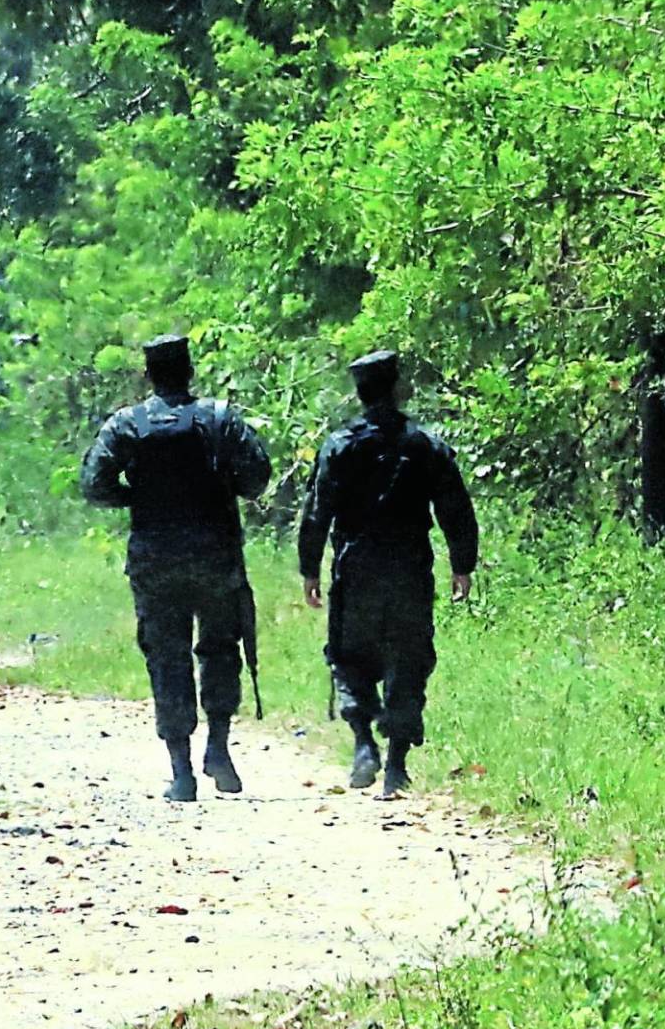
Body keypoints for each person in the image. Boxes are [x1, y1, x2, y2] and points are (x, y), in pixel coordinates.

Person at [82, 334, 273, 802]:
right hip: (214, 552)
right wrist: (218, 487)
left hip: (156, 557)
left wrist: (140, 497)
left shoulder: (128, 424)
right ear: (189, 372)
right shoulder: (219, 418)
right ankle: (220, 748)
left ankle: (181, 770)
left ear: (149, 376)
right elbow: (257, 478)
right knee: (220, 648)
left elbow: (93, 484)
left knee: (166, 657)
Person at [297, 350, 479, 799]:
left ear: (359, 393)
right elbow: (455, 507)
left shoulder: (339, 447)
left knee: (348, 657)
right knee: (408, 659)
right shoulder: (424, 445)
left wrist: (310, 569)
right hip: (408, 571)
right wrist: (462, 564)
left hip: (355, 571)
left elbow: (317, 512)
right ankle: (396, 765)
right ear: (396, 388)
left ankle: (363, 745)